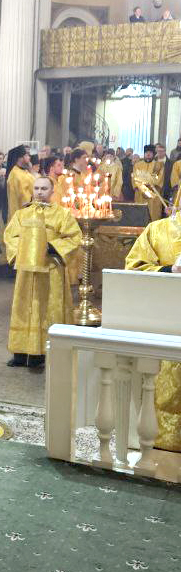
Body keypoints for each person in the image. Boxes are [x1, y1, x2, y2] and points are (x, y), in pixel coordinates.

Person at [3, 176, 82, 370]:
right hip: (27, 272)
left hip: (50, 269)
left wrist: (52, 248)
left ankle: (44, 352)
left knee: (47, 309)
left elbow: (74, 237)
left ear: (52, 192)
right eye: (36, 188)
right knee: (25, 309)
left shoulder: (62, 214)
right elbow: (10, 235)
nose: (39, 192)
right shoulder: (23, 214)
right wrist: (22, 250)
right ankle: (20, 352)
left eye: (44, 189)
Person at [124, 213, 181, 451]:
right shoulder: (158, 230)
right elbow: (133, 265)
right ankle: (164, 439)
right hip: (168, 319)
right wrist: (169, 270)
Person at [133, 144, 164, 221]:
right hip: (140, 194)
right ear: (144, 154)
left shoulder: (158, 165)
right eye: (146, 152)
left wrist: (151, 186)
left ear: (153, 154)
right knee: (140, 215)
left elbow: (159, 178)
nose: (148, 154)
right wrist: (143, 188)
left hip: (153, 193)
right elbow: (135, 178)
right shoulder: (137, 165)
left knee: (153, 214)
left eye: (150, 152)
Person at [6, 145, 35, 222]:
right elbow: (13, 201)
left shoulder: (25, 172)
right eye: (26, 155)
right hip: (22, 216)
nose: (29, 157)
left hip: (31, 213)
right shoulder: (14, 175)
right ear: (20, 158)